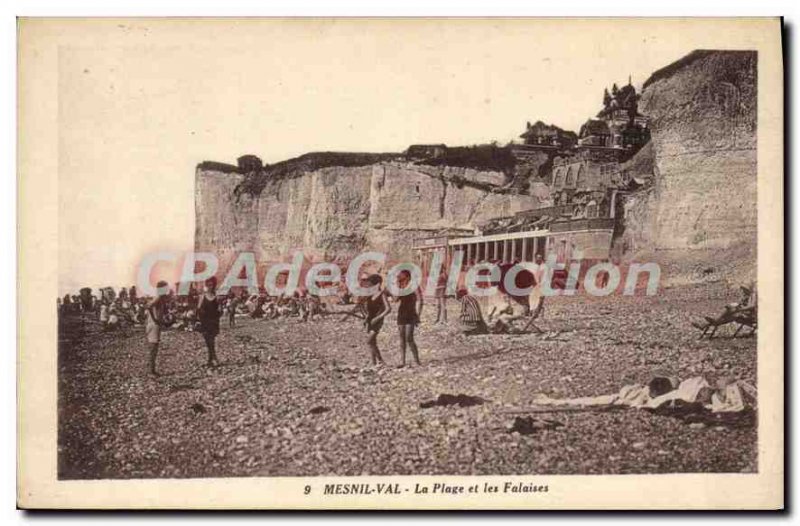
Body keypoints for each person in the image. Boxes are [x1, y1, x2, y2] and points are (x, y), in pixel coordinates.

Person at [395, 270, 423, 367]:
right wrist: (398, 287)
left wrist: (418, 315)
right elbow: (395, 300)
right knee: (402, 338)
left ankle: (417, 361)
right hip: (402, 313)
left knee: (409, 338)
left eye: (400, 276)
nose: (398, 277)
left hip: (411, 313)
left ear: (407, 276)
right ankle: (402, 361)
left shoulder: (414, 286)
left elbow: (420, 300)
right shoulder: (401, 286)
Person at [363, 274, 391, 366]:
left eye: (370, 285)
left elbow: (388, 309)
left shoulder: (382, 295)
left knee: (369, 341)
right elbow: (368, 309)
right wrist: (367, 317)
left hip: (378, 320)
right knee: (372, 342)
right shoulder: (370, 295)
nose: (369, 286)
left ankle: (381, 361)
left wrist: (378, 318)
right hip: (370, 319)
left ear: (377, 284)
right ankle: (374, 363)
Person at [197, 276, 223, 368]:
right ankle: (212, 359)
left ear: (214, 285)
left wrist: (218, 314)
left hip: (213, 321)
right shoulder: (202, 297)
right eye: (208, 285)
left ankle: (213, 359)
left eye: (211, 285)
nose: (209, 286)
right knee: (208, 341)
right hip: (205, 321)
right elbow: (199, 309)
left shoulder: (216, 298)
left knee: (211, 340)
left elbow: (220, 311)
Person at [146, 281, 170, 376]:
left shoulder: (161, 298)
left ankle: (152, 370)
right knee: (153, 348)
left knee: (154, 348)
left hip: (155, 324)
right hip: (153, 325)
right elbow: (148, 306)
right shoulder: (158, 297)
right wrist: (154, 318)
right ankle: (151, 371)